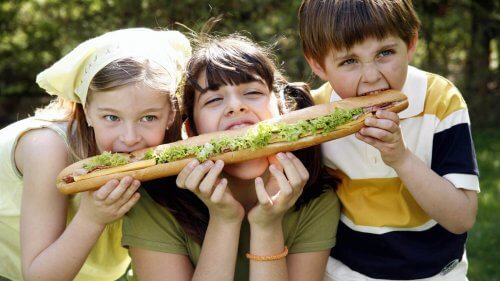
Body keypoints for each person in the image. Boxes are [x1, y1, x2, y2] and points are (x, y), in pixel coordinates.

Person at [121, 34, 340, 281]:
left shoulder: (315, 199)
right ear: (190, 131)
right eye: (214, 99)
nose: (236, 106)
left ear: (281, 110)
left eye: (253, 92)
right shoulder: (155, 202)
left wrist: (266, 226)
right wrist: (224, 220)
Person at [298, 0, 480, 280]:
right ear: (318, 65)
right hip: (345, 274)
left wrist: (401, 157)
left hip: (437, 274)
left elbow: (462, 218)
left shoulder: (441, 100)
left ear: (409, 44)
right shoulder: (314, 113)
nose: (372, 77)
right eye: (349, 61)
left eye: (385, 53)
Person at [0, 28, 190, 281]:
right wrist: (91, 218)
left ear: (170, 115)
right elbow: (37, 276)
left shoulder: (176, 153)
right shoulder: (46, 148)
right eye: (112, 117)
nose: (130, 137)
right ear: (87, 111)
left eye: (148, 117)